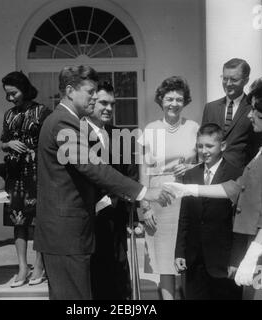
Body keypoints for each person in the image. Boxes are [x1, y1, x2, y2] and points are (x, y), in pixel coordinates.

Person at [34, 65, 171, 300]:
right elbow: (92, 167)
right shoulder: (62, 124)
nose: (94, 97)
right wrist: (143, 192)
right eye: (90, 92)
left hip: (71, 234)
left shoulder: (66, 121)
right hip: (65, 235)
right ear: (69, 91)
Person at [164, 78, 262, 300]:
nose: (249, 115)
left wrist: (253, 253)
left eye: (254, 109)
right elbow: (237, 187)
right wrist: (190, 190)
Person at [139, 76, 199, 300]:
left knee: (186, 251)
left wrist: (192, 166)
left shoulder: (193, 127)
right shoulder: (151, 129)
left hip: (186, 195)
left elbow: (207, 161)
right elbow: (144, 169)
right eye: (169, 98)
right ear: (161, 100)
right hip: (159, 197)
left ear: (185, 102)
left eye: (179, 99)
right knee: (164, 256)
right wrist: (144, 206)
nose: (174, 103)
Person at [175, 123, 242, 300]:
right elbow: (185, 215)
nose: (204, 151)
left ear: (223, 146)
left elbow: (239, 220)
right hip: (194, 257)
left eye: (209, 146)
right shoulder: (190, 175)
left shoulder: (236, 174)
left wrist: (236, 259)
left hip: (223, 260)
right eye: (200, 146)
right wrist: (180, 251)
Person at [86, 82, 138, 300]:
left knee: (118, 274)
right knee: (94, 278)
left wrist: (131, 213)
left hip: (116, 218)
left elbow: (130, 175)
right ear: (91, 103)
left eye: (112, 104)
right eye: (103, 103)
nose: (108, 108)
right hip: (88, 219)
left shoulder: (122, 136)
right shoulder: (76, 135)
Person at [0, 71, 51, 287]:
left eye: (14, 93)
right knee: (18, 221)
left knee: (39, 220)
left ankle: (39, 266)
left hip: (37, 171)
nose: (11, 98)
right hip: (15, 173)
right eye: (8, 95)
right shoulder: (9, 115)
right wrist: (9, 144)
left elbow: (50, 142)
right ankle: (22, 267)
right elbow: (3, 142)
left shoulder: (42, 112)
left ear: (25, 89)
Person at [202, 58, 262, 170]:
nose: (228, 84)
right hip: (212, 177)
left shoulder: (253, 108)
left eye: (234, 79)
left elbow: (258, 147)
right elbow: (203, 142)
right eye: (225, 79)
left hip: (241, 177)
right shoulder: (210, 108)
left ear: (245, 80)